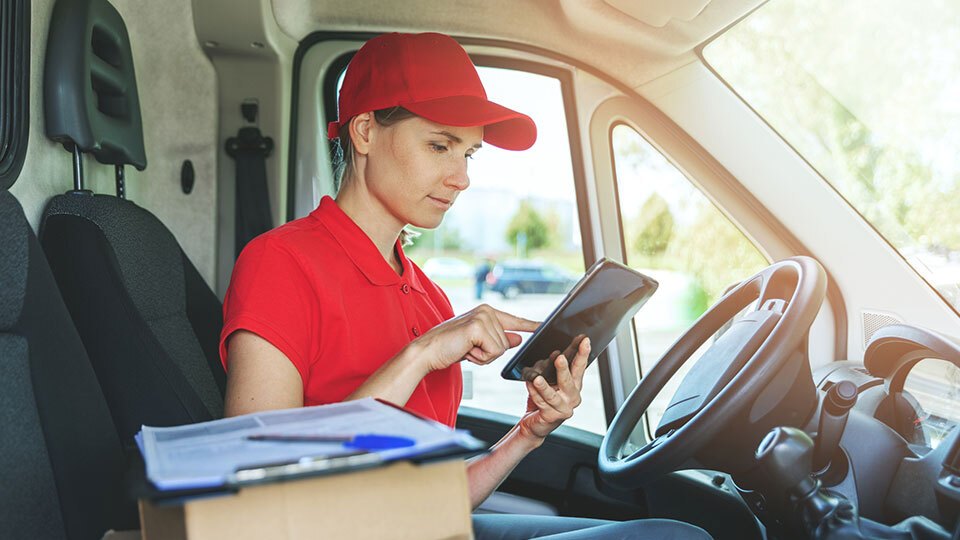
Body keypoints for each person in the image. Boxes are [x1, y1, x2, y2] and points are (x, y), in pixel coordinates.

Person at [219, 32, 711, 540]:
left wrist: (527, 434)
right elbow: (258, 485)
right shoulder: (281, 262)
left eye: (470, 154)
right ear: (364, 131)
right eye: (439, 145)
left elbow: (436, 502)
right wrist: (419, 356)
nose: (462, 178)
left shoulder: (430, 298)